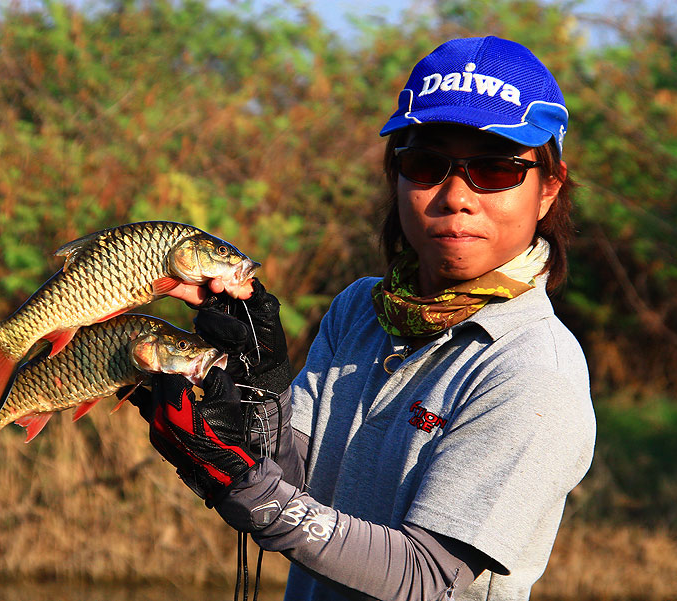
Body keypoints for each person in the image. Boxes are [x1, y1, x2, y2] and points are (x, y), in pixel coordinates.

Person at [132, 36, 596, 601]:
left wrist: (250, 493)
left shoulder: (532, 368)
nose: (456, 196)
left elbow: (428, 579)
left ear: (548, 189)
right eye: (426, 164)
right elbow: (304, 481)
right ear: (394, 177)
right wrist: (261, 387)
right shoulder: (360, 308)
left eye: (495, 170)